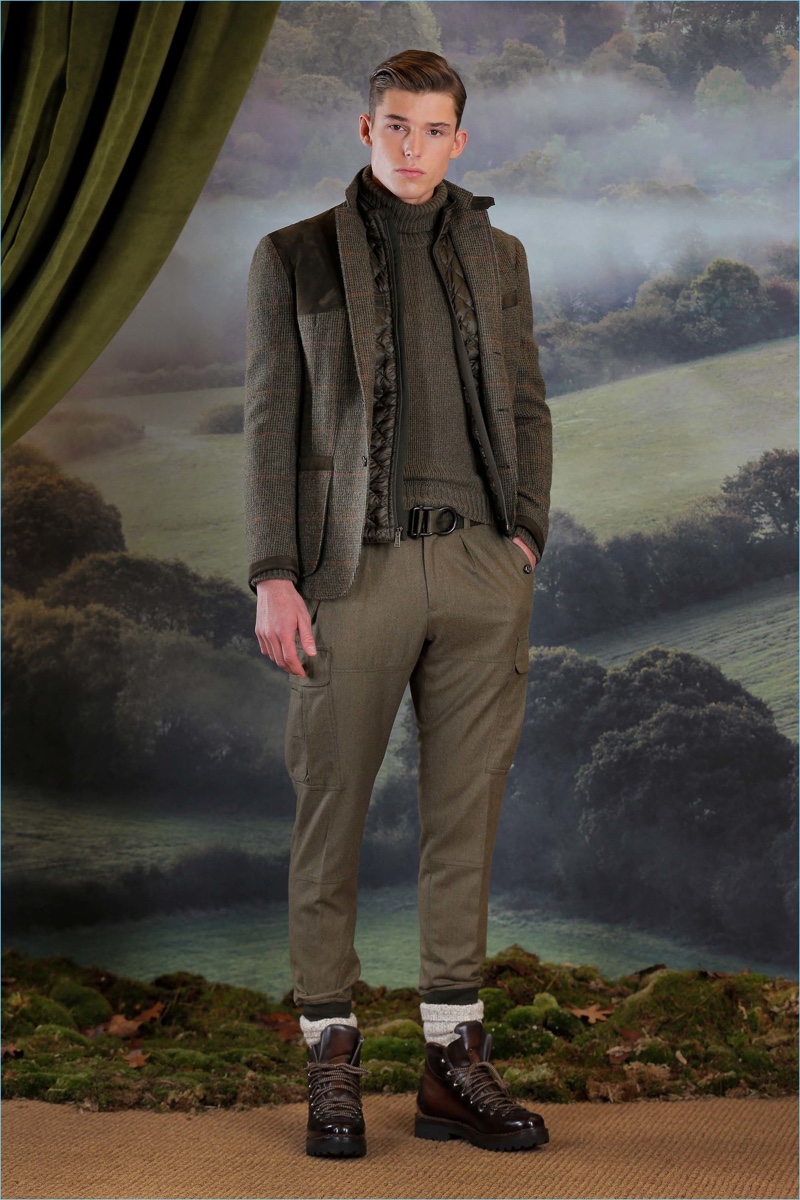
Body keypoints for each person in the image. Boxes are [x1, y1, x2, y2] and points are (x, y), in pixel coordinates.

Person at [244, 49, 552, 1158]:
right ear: (364, 131)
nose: (412, 147)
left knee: (464, 812)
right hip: (350, 572)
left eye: (432, 130)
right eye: (394, 126)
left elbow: (527, 402)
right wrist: (273, 573)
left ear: (457, 140)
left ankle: (449, 1064)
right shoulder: (292, 257)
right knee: (330, 806)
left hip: (477, 565)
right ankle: (330, 1054)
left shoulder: (499, 256)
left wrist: (523, 536)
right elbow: (271, 423)